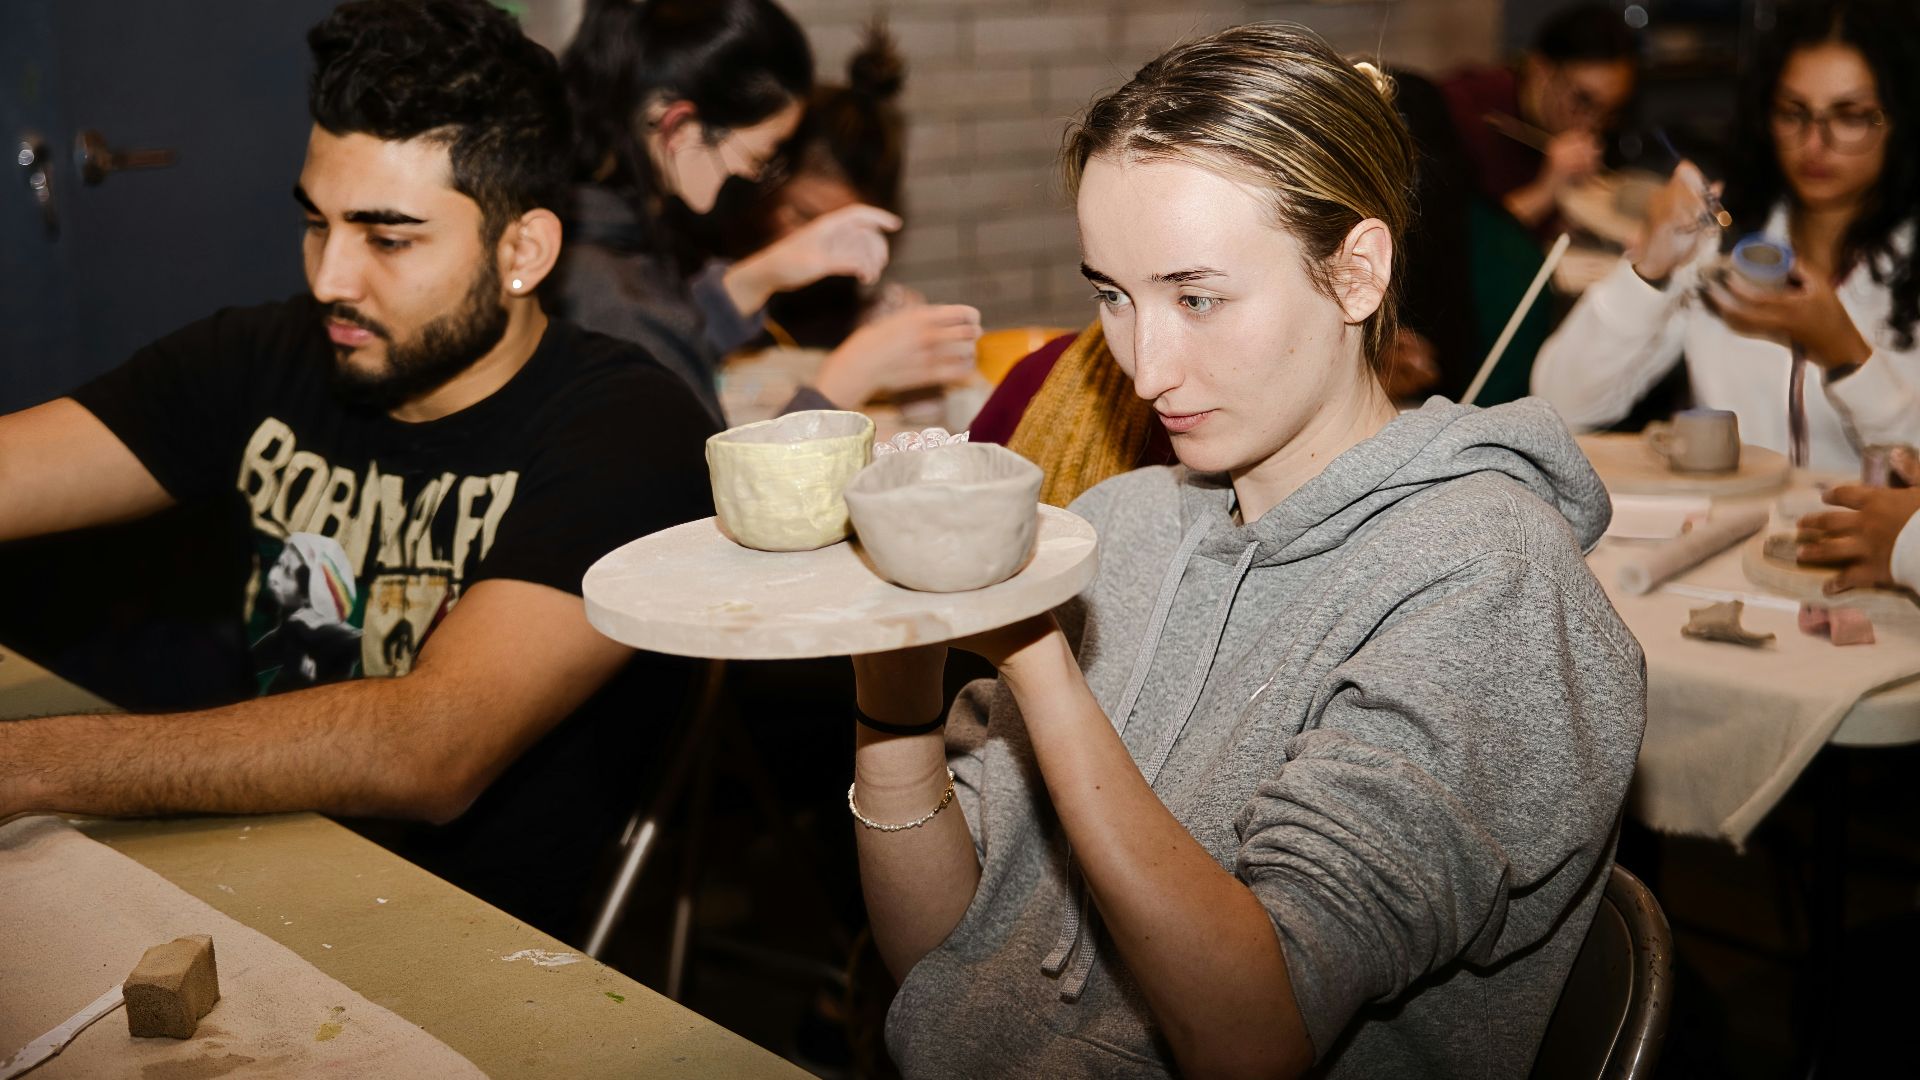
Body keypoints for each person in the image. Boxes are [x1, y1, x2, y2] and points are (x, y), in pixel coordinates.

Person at [844, 23, 1645, 1079]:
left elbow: (1252, 1040)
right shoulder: (1120, 522)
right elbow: (938, 962)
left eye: (1197, 297)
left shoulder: (1489, 578)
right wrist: (891, 692)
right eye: (1113, 295)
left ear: (1356, 273)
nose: (1145, 368)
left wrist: (1037, 659)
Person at [0, 0, 718, 943]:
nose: (329, 278)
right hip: (236, 876)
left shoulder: (630, 430)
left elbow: (430, 749)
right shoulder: (263, 356)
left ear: (522, 251)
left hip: (457, 950)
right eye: (317, 223)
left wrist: (24, 767)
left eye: (387, 238)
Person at [1532, 0, 1920, 473]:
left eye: (1851, 116)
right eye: (1793, 112)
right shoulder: (1721, 243)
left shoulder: (1908, 267)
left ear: (1902, 119)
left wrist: (1847, 356)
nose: (1814, 142)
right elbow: (1560, 405)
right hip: (1728, 518)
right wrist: (1650, 267)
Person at [552, 0, 979, 425]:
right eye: (760, 155)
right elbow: (699, 464)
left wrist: (763, 275)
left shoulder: (605, 232)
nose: (751, 175)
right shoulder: (604, 285)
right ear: (679, 127)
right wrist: (847, 380)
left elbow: (669, 343)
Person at [1440, 4, 1639, 232]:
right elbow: (1464, 240)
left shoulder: (1561, 126)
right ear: (1540, 70)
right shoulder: (1464, 109)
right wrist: (1546, 191)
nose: (1592, 125)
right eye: (1583, 100)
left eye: (1610, 112)